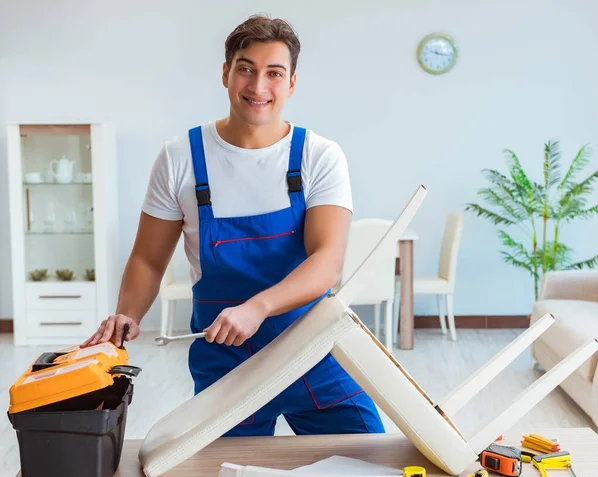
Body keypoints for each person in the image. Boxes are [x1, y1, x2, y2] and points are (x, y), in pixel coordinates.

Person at [83, 14, 385, 436]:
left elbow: (327, 261)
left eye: (274, 74)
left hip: (315, 351)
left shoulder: (319, 156)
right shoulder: (180, 157)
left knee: (365, 466)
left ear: (292, 83)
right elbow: (148, 260)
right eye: (246, 69)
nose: (258, 87)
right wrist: (127, 314)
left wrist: (257, 307)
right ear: (226, 73)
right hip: (226, 359)